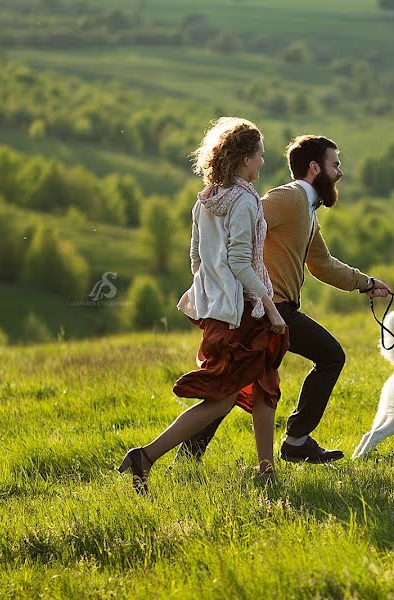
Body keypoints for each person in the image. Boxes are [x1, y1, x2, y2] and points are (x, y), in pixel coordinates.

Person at [177, 134, 391, 464]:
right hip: (267, 306)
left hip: (277, 306)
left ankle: (192, 458)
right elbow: (241, 219)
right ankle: (296, 440)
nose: (340, 172)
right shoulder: (289, 198)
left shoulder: (306, 210)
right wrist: (216, 276)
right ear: (314, 168)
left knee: (236, 382)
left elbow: (322, 264)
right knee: (330, 356)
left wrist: (367, 283)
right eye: (335, 165)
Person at [119, 117, 290, 493]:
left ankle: (267, 472)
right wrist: (271, 307)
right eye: (260, 155)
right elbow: (241, 261)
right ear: (245, 159)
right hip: (241, 312)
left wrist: (213, 294)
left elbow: (197, 257)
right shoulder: (244, 201)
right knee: (223, 396)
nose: (263, 162)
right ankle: (145, 456)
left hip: (220, 309)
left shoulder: (206, 199)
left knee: (264, 386)